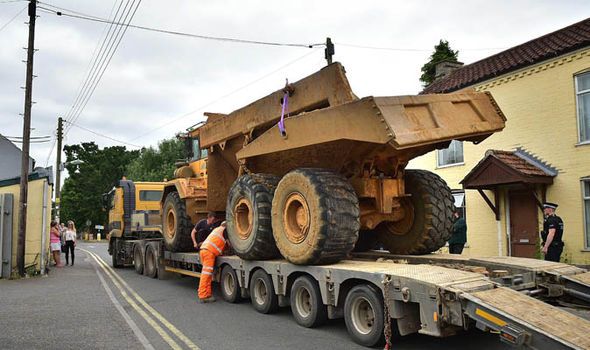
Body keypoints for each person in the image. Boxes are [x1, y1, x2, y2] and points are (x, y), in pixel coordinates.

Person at [198, 221, 230, 303]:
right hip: (209, 252)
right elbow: (228, 243)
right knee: (206, 275)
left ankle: (207, 294)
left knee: (208, 275)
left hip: (204, 250)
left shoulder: (217, 229)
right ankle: (203, 295)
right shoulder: (225, 230)